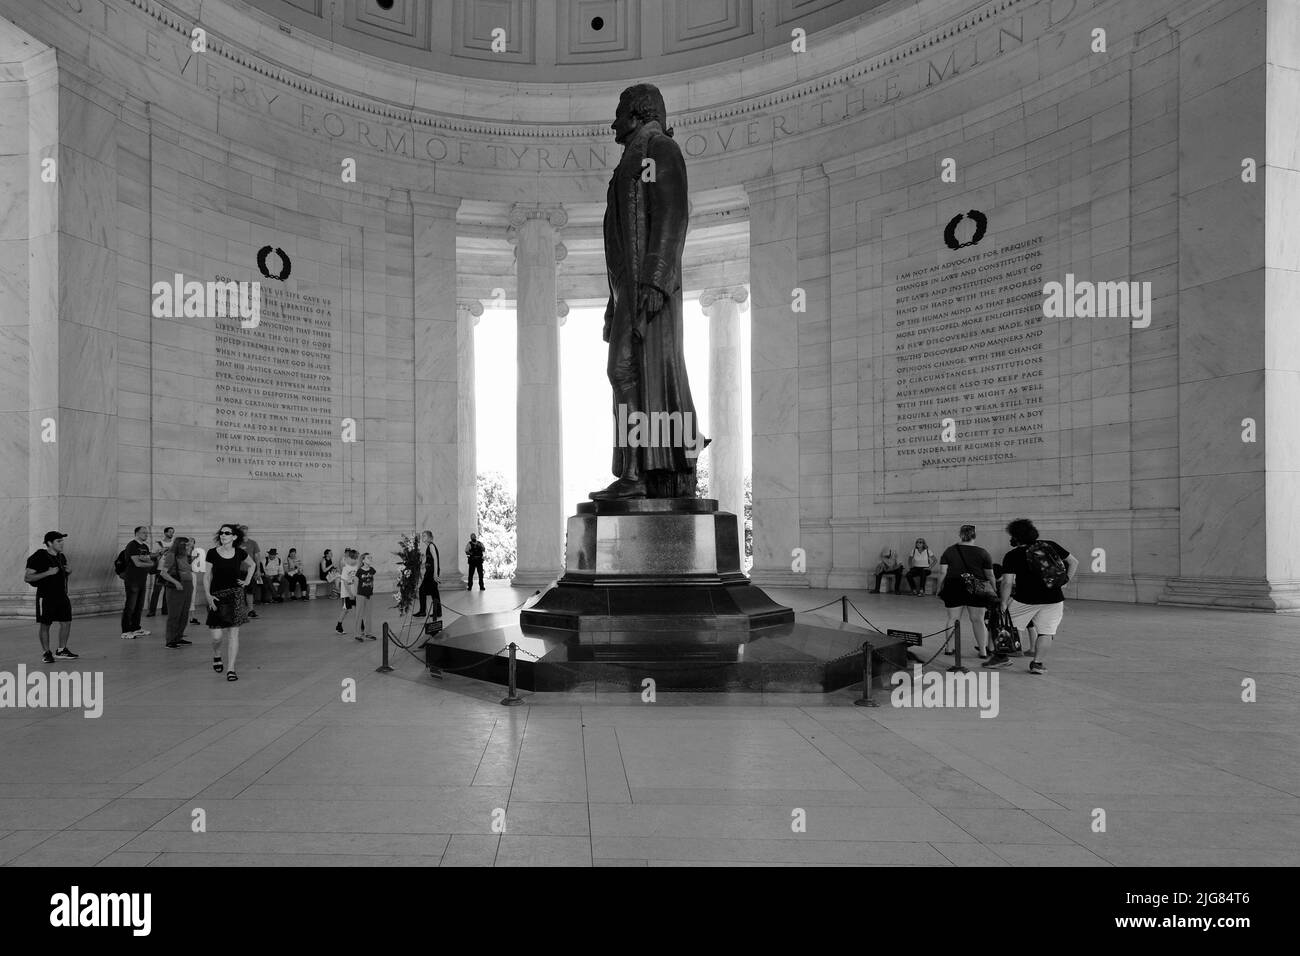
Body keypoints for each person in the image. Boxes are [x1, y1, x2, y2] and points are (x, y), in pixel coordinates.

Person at [590, 83, 707, 500]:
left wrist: (657, 278)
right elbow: (619, 241)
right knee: (623, 372)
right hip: (629, 292)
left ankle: (639, 474)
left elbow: (672, 213)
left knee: (632, 372)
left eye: (620, 112)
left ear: (638, 113)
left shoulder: (657, 150)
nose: (613, 122)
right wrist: (612, 304)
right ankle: (634, 472)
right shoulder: (632, 160)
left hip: (650, 291)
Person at [992, 518, 1079, 674]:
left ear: (1015, 537)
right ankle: (1037, 663)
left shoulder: (1013, 555)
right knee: (1046, 632)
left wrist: (1004, 602)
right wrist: (1065, 582)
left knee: (1004, 625)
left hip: (1026, 599)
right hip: (1054, 598)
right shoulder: (1050, 545)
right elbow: (1074, 562)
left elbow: (1007, 583)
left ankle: (1001, 657)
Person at [199, 524, 255, 682]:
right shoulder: (212, 553)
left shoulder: (240, 552)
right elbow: (206, 576)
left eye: (227, 533)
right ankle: (217, 654)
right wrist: (208, 596)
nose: (223, 535)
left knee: (233, 634)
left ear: (234, 537)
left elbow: (252, 565)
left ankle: (231, 668)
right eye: (221, 533)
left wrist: (247, 580)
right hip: (216, 596)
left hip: (235, 595)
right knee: (216, 637)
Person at [933, 525, 997, 659]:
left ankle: (949, 648)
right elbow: (990, 575)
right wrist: (994, 589)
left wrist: (939, 588)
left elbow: (942, 572)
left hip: (954, 586)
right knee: (978, 620)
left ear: (960, 534)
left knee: (952, 619)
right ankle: (983, 651)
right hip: (977, 587)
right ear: (974, 535)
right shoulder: (982, 552)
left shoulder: (949, 551)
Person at [24, 531, 77, 663]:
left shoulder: (61, 557)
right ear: (49, 543)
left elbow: (60, 575)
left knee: (66, 622)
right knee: (45, 624)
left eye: (62, 541)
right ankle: (46, 652)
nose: (62, 543)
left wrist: (68, 572)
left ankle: (61, 650)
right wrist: (48, 572)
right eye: (58, 541)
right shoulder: (39, 556)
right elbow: (28, 577)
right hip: (46, 596)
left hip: (61, 595)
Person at [156, 536, 195, 648]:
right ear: (180, 545)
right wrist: (176, 583)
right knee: (174, 614)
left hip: (187, 586)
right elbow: (163, 573)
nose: (189, 546)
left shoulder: (184, 556)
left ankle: (179, 637)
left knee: (184, 613)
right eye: (186, 545)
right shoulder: (171, 555)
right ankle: (170, 640)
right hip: (176, 587)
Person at [121, 526, 154, 639]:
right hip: (132, 579)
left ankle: (136, 628)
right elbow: (138, 563)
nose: (146, 534)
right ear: (137, 533)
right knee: (130, 605)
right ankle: (125, 630)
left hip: (142, 579)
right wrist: (148, 562)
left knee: (139, 606)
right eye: (144, 532)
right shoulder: (132, 545)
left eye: (147, 533)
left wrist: (147, 561)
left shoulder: (145, 546)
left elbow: (148, 560)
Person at [145, 526, 176, 618]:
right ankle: (152, 611)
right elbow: (152, 555)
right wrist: (160, 552)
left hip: (170, 570)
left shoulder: (174, 544)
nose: (171, 534)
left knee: (168, 591)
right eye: (170, 532)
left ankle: (165, 610)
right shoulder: (158, 543)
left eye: (173, 532)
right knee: (156, 591)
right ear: (165, 533)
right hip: (160, 569)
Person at [416, 531, 441, 620]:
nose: (422, 536)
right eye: (422, 535)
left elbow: (436, 560)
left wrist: (435, 574)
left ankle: (423, 611)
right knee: (434, 592)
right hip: (430, 572)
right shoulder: (428, 546)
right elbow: (430, 561)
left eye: (424, 535)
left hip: (432, 573)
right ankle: (438, 611)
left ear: (429, 537)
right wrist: (423, 565)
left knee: (422, 590)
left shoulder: (431, 546)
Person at [240, 526, 264, 613]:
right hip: (239, 571)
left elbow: (257, 557)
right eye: (242, 532)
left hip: (250, 571)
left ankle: (251, 610)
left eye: (246, 532)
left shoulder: (253, 543)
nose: (244, 533)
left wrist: (258, 570)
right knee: (239, 592)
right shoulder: (236, 544)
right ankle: (240, 611)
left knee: (250, 591)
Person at [335, 548, 359, 634]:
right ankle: (339, 626)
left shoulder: (356, 567)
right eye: (355, 558)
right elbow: (345, 583)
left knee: (358, 609)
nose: (356, 560)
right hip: (347, 594)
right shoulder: (346, 568)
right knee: (346, 610)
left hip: (355, 592)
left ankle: (361, 626)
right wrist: (350, 594)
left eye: (357, 558)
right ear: (349, 558)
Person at [354, 552, 376, 641]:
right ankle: (357, 634)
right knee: (359, 615)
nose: (370, 559)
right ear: (363, 560)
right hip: (360, 595)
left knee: (368, 615)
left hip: (369, 595)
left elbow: (372, 581)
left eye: (371, 558)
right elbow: (356, 583)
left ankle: (368, 633)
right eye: (368, 558)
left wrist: (371, 590)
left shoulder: (372, 570)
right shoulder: (359, 571)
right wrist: (356, 595)